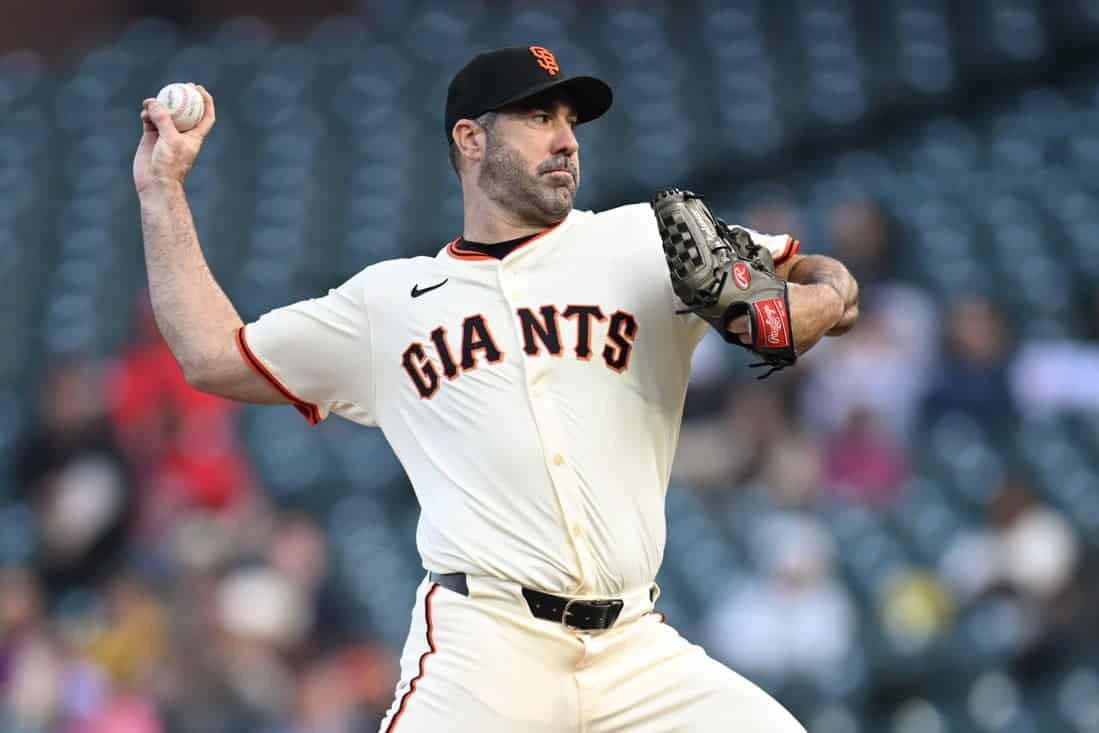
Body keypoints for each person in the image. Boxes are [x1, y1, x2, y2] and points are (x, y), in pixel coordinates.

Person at [133, 46, 858, 733]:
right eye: (540, 118)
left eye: (571, 121)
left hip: (636, 646)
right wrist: (161, 187)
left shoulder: (642, 242)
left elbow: (826, 283)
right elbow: (209, 357)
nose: (567, 139)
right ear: (470, 139)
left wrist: (810, 306)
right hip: (488, 648)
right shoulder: (389, 304)